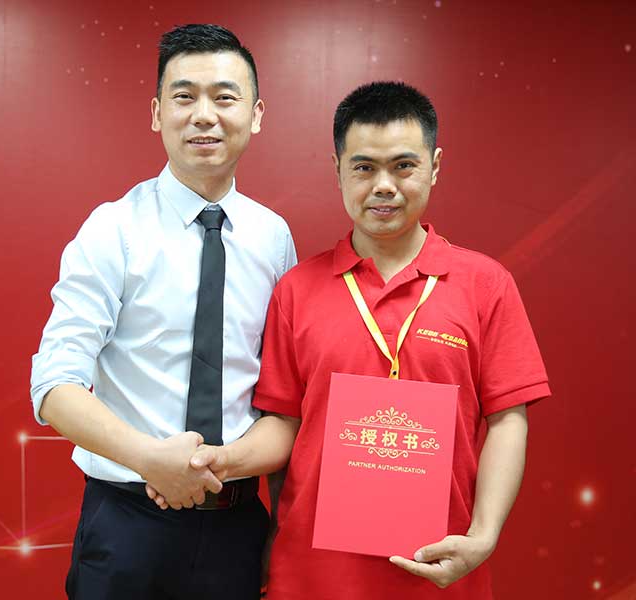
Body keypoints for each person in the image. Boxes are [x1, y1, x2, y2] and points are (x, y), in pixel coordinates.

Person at [170, 81, 551, 599]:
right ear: (338, 170)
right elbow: (283, 425)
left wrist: (482, 536)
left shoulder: (486, 285)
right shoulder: (296, 290)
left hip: (438, 570)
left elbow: (508, 420)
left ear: (435, 165)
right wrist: (216, 463)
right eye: (364, 167)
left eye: (404, 166)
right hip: (310, 577)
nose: (384, 186)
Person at [29, 24, 296, 600]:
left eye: (224, 97)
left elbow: (282, 393)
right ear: (156, 113)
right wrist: (152, 460)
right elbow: (53, 385)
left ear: (255, 115)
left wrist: (272, 515)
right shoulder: (113, 229)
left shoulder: (273, 238)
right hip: (127, 524)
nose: (204, 115)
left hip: (237, 525)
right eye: (184, 96)